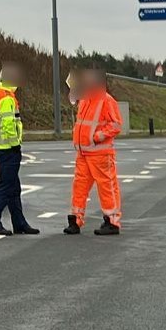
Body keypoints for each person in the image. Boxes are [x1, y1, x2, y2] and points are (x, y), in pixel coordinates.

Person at [65, 69, 123, 236]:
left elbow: (116, 125)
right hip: (84, 152)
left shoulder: (106, 100)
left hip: (100, 153)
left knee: (106, 186)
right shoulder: (86, 99)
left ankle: (112, 221)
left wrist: (96, 137)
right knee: (79, 186)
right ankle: (75, 220)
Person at [0, 63, 37, 236]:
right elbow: (8, 124)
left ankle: (19, 223)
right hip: (8, 148)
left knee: (14, 187)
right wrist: (15, 145)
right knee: (6, 186)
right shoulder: (6, 97)